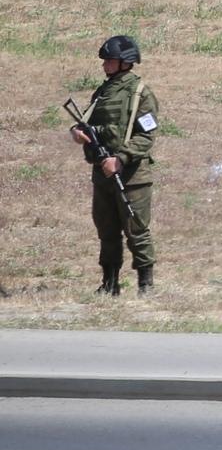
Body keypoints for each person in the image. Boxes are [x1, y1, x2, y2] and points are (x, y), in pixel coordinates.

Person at [68, 34, 158, 296]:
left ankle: (145, 285)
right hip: (102, 174)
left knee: (136, 230)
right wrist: (77, 133)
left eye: (109, 60)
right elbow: (87, 123)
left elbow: (146, 136)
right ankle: (109, 283)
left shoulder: (141, 93)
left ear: (125, 62)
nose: (104, 64)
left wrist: (119, 160)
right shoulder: (103, 92)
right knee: (106, 230)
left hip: (131, 176)